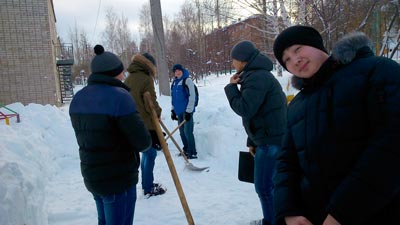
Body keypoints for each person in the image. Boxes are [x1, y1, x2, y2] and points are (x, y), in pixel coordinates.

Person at [273, 25, 400, 225]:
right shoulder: (297, 105)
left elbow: (391, 146)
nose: (295, 60)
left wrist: (341, 213)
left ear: (317, 45)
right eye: (286, 59)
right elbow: (286, 163)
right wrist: (289, 211)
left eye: (297, 49)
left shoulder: (377, 70)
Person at [69, 45, 151, 225]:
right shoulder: (119, 97)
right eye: (121, 72)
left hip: (92, 176)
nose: (124, 76)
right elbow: (142, 142)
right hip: (118, 179)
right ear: (114, 72)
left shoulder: (78, 98)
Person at [224, 40, 287, 225]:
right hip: (267, 139)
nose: (232, 64)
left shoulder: (257, 77)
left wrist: (230, 88)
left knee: (265, 187)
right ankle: (274, 219)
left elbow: (246, 108)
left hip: (270, 141)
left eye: (234, 60)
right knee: (270, 185)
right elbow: (258, 115)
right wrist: (252, 141)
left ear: (243, 60)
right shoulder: (255, 75)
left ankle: (272, 222)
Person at [124, 52, 166, 197]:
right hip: (145, 124)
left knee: (146, 154)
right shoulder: (146, 79)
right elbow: (151, 104)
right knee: (150, 153)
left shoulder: (128, 78)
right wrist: (158, 112)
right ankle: (148, 187)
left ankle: (146, 184)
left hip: (132, 123)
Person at [170, 64, 198, 159]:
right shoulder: (174, 82)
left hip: (187, 111)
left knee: (188, 132)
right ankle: (186, 150)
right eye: (175, 71)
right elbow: (173, 98)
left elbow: (192, 96)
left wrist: (189, 112)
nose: (177, 72)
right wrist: (173, 110)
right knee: (182, 132)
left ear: (182, 70)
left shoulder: (187, 80)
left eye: (179, 70)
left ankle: (192, 152)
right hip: (179, 112)